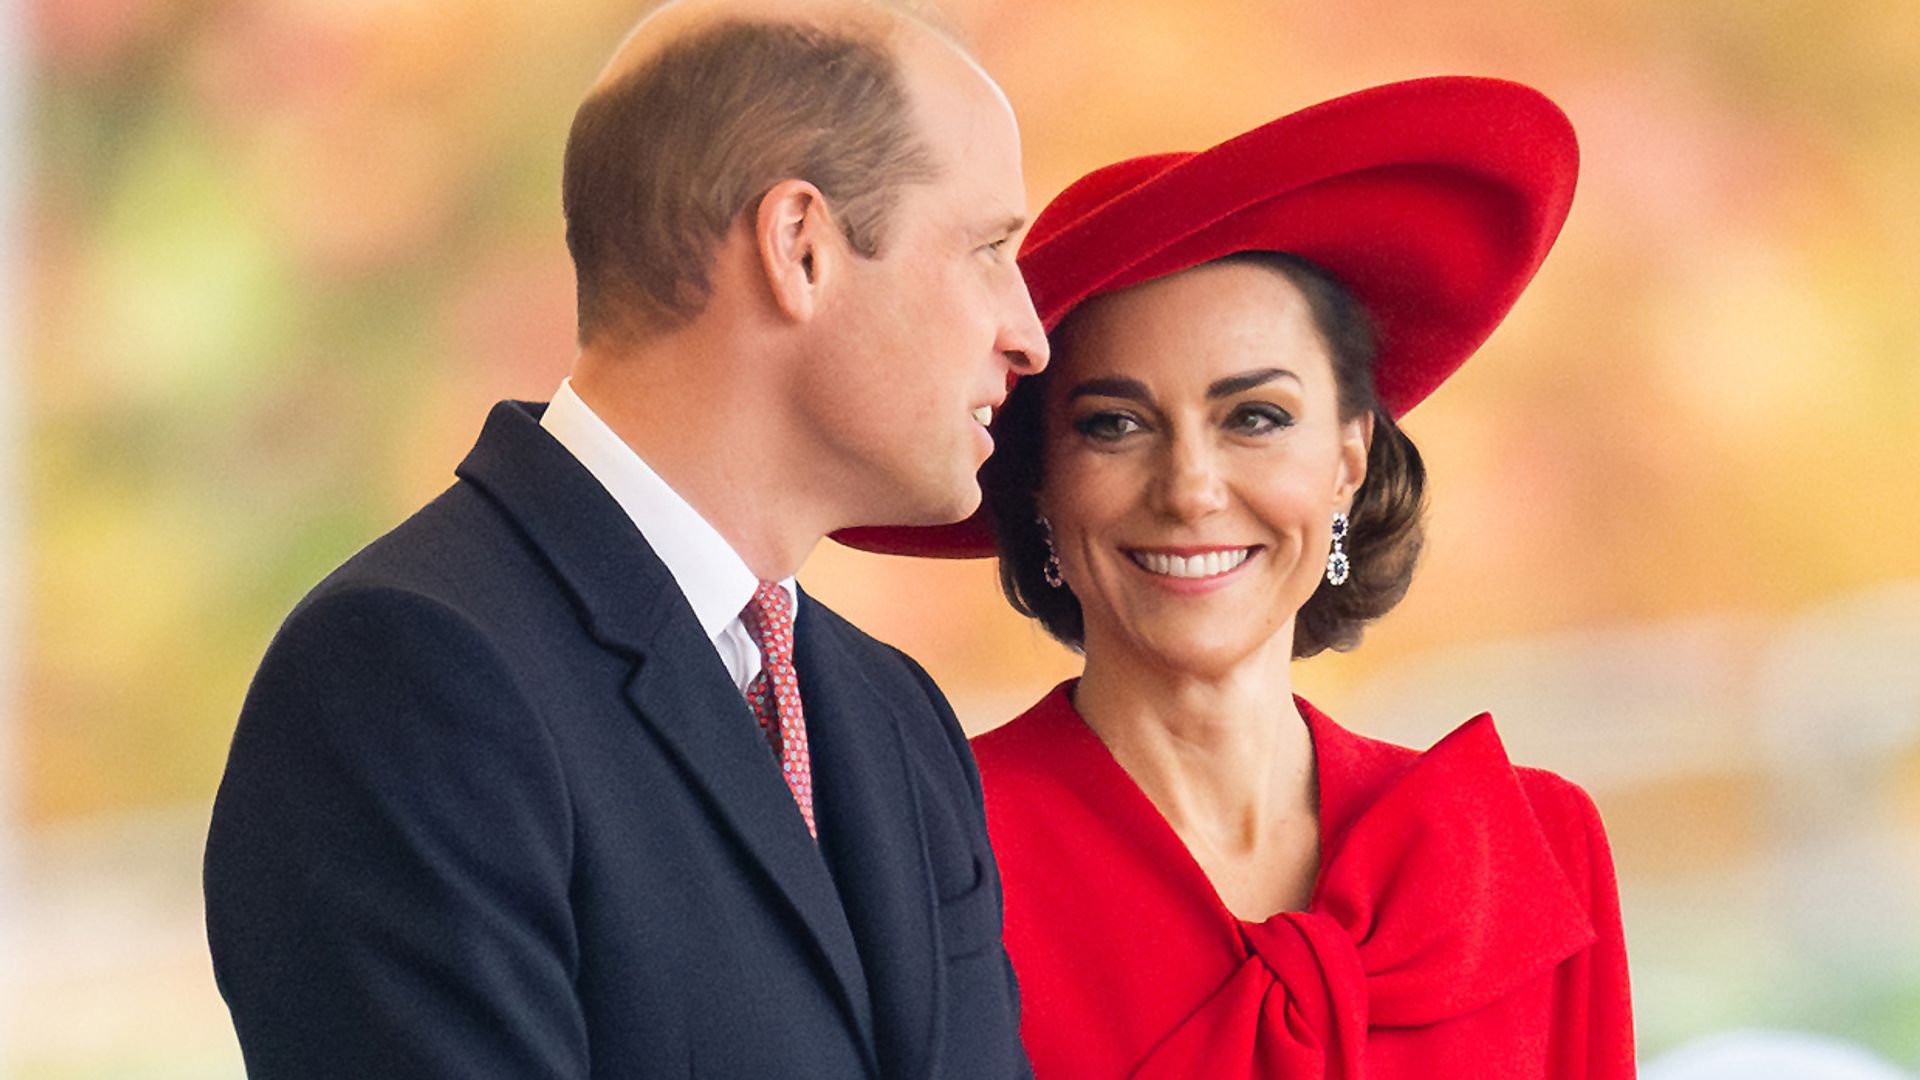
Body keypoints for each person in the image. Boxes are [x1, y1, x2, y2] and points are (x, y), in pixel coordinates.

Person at [203, 1, 1048, 1076]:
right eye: (987, 249)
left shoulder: (895, 720)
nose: (1027, 334)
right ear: (801, 248)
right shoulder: (406, 680)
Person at [842, 77, 1634, 1077]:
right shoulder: (914, 862)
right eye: (1114, 425)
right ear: (1039, 482)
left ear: (1350, 457)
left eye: (1254, 417)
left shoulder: (1532, 851)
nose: (1190, 489)